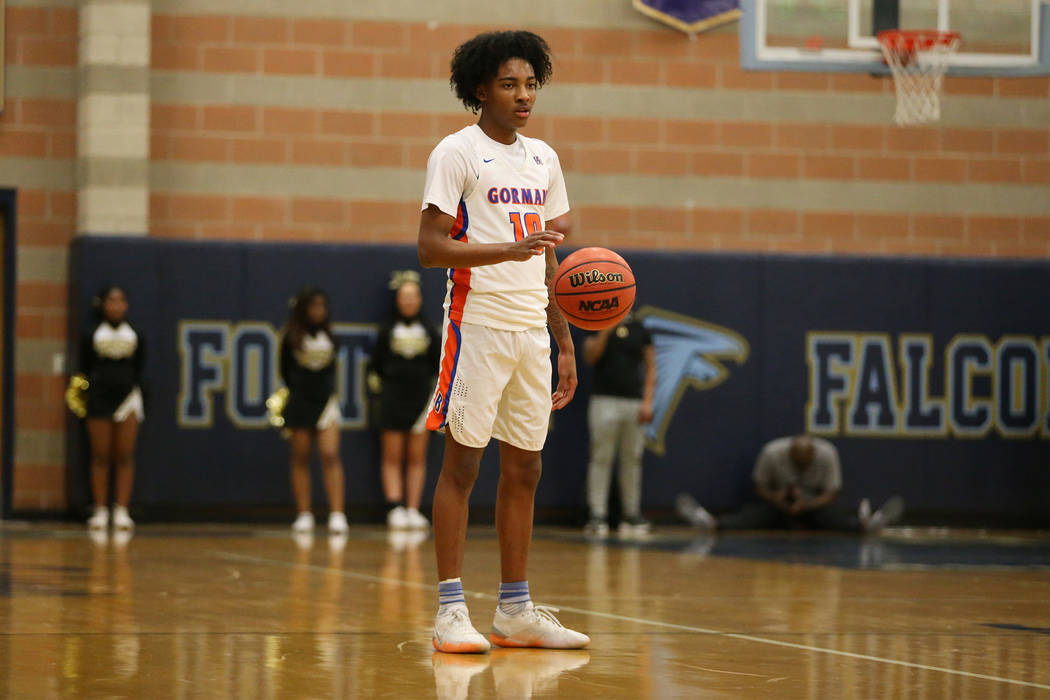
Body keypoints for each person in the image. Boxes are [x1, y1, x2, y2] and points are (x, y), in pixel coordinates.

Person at [417, 30, 589, 653]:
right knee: (463, 464)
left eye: (531, 84)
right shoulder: (456, 153)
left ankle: (514, 610)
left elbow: (549, 261)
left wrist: (563, 341)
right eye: (511, 84)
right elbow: (431, 247)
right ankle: (449, 611)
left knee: (527, 466)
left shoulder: (544, 158)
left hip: (531, 332)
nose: (524, 96)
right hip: (477, 323)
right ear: (480, 90)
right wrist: (505, 251)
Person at [676, 434, 904, 533]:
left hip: (812, 506)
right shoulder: (772, 453)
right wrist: (777, 499)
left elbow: (833, 492)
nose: (802, 469)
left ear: (814, 454)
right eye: (798, 464)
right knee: (753, 515)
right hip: (780, 505)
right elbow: (759, 486)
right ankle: (712, 523)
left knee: (833, 517)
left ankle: (867, 526)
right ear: (790, 454)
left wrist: (809, 504)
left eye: (806, 465)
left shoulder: (827, 453)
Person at [368, 270, 441, 530]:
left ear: (420, 299)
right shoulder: (387, 330)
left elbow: (437, 364)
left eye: (414, 296)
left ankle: (413, 508)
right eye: (404, 297)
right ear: (397, 300)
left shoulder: (429, 330)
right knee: (392, 455)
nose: (409, 301)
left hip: (420, 400)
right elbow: (376, 365)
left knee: (417, 456)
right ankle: (395, 507)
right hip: (392, 399)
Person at [74, 286, 145, 532]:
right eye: (111, 301)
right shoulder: (93, 333)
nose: (116, 306)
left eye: (121, 300)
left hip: (128, 398)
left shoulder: (135, 333)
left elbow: (141, 366)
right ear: (103, 304)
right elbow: (83, 365)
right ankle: (101, 509)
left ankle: (122, 510)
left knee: (124, 454)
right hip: (99, 398)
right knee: (100, 454)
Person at [279, 288, 348, 535]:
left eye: (322, 306)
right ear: (303, 309)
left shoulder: (330, 335)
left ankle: (338, 514)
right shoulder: (291, 338)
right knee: (300, 456)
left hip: (325, 401)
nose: (318, 311)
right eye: (313, 306)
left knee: (330, 454)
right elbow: (285, 371)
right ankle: (304, 514)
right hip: (300, 401)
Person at [582, 313, 656, 537]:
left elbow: (651, 366)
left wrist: (648, 401)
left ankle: (631, 515)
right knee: (601, 457)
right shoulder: (596, 322)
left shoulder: (640, 328)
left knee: (632, 458)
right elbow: (590, 356)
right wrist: (608, 327)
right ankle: (597, 515)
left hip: (633, 401)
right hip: (604, 400)